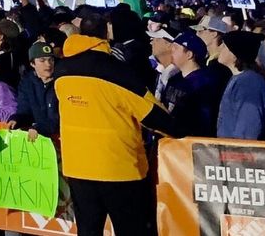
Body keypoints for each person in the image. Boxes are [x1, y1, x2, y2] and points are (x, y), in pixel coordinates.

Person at [54, 31, 181, 236]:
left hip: (78, 167)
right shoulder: (116, 72)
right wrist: (178, 131)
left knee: (88, 229)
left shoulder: (61, 73)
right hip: (118, 167)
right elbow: (152, 114)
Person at [215, 30, 265, 140]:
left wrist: (237, 153)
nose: (220, 49)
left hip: (239, 153)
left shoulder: (250, 83)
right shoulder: (239, 79)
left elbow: (248, 128)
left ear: (235, 54)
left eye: (224, 46)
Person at [162, 32, 223, 137]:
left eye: (176, 48)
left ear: (189, 54)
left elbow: (205, 119)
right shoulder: (174, 79)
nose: (171, 51)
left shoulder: (205, 83)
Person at [9, 42, 59, 138]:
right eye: (42, 60)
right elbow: (25, 109)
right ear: (32, 63)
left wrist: (39, 128)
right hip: (40, 137)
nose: (48, 64)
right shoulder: (27, 82)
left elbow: (57, 117)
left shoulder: (60, 81)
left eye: (51, 60)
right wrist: (16, 119)